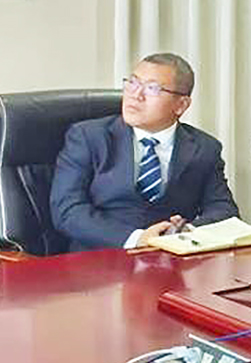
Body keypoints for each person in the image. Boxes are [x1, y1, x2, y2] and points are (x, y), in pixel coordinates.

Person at [50, 53, 239, 252]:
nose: (136, 95)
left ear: (181, 105)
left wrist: (186, 232)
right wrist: (137, 239)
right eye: (132, 83)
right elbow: (67, 210)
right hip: (101, 258)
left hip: (172, 260)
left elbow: (224, 210)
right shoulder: (89, 137)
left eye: (152, 88)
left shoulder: (204, 148)